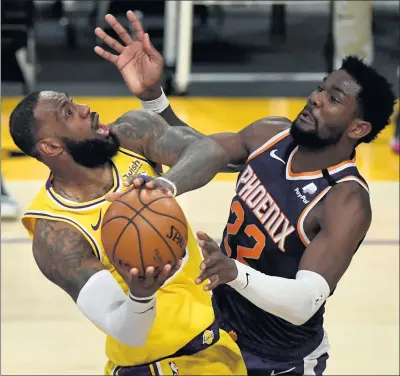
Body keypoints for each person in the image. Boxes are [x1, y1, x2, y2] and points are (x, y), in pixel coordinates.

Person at [94, 11, 397, 376]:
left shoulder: (345, 200)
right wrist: (154, 98)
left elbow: (304, 302)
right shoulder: (271, 134)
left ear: (358, 127)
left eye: (333, 98)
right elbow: (201, 150)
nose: (315, 98)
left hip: (276, 357)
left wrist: (234, 272)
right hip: (216, 324)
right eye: (320, 87)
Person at [9, 38, 247, 376]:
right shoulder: (56, 233)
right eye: (69, 113)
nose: (85, 109)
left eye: (74, 103)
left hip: (218, 338)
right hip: (156, 367)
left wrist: (164, 182)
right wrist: (140, 296)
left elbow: (212, 152)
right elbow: (124, 329)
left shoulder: (130, 133)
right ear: (50, 146)